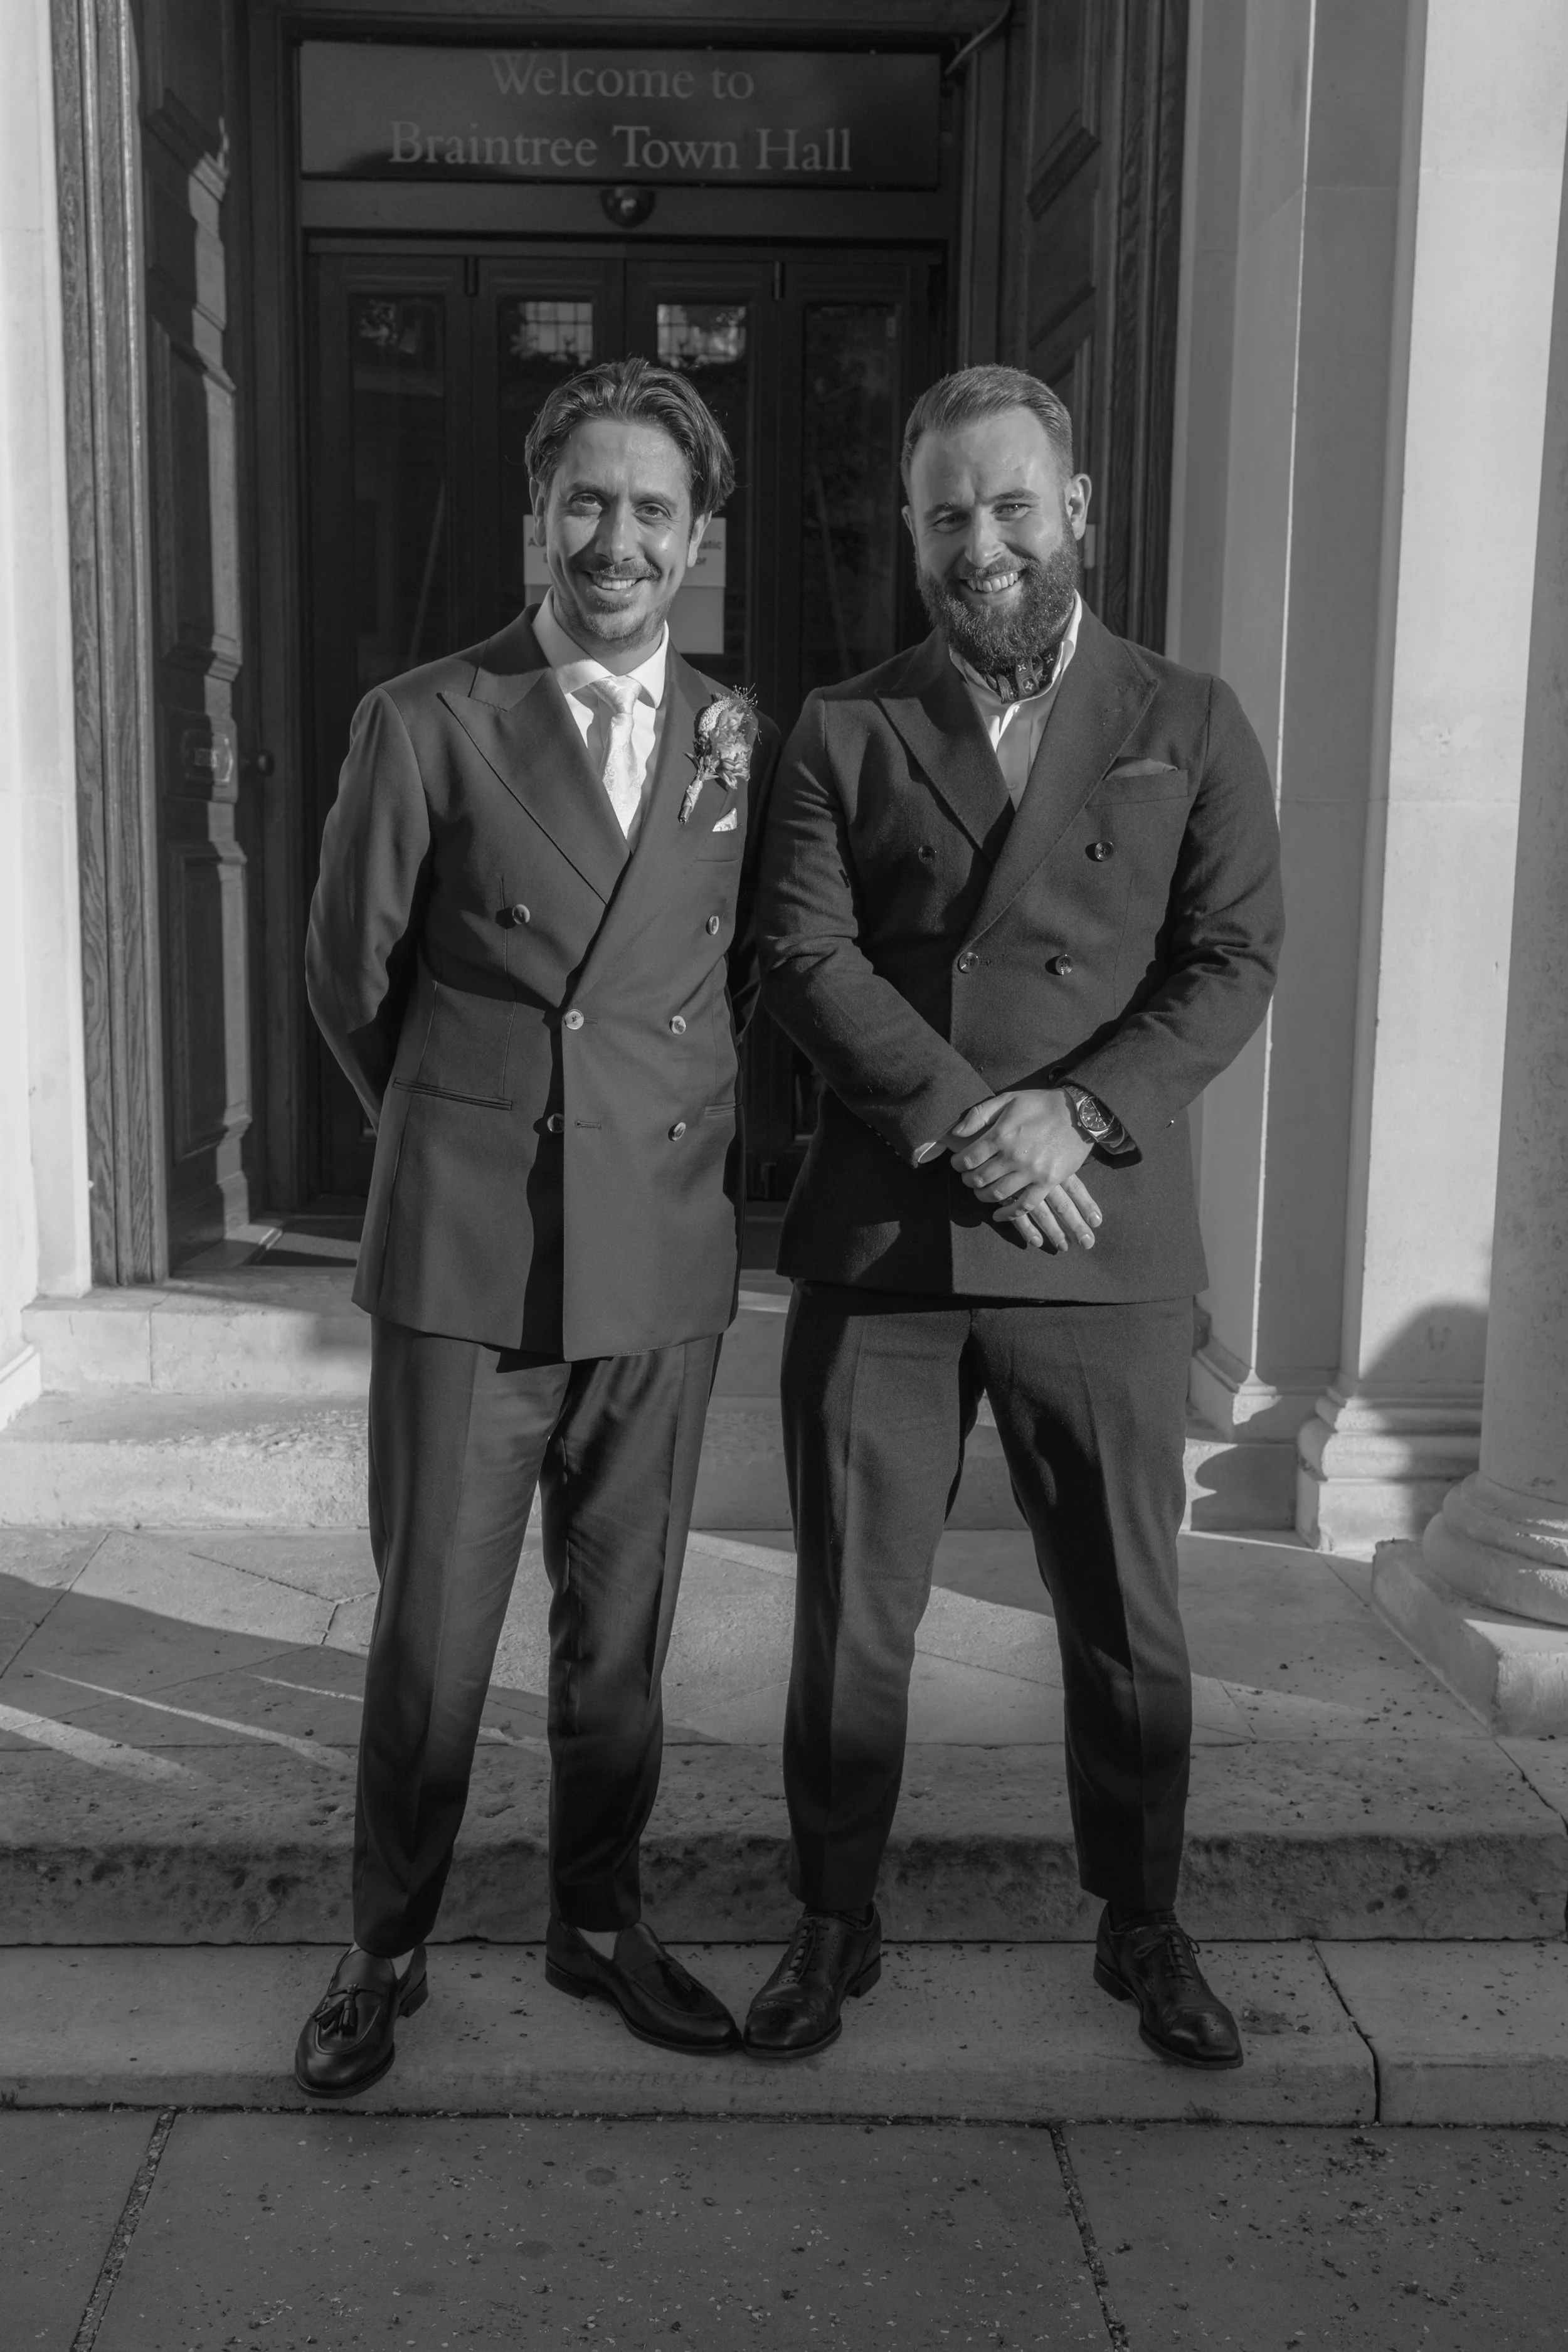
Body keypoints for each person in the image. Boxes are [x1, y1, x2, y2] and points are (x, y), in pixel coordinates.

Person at [748, 364, 1283, 2069]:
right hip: (888, 1234)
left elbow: (1232, 955)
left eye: (1009, 504)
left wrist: (1076, 1110)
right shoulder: (845, 722)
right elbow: (802, 956)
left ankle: (1143, 1922)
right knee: (851, 1607)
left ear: (1078, 512)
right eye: (946, 513)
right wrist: (969, 1119)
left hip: (1097, 1233)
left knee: (1126, 1609)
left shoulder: (1185, 718)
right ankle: (832, 1919)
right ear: (912, 531)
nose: (980, 542)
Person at [295, 358, 778, 2097]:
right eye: (587, 501)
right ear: (534, 513)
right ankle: (388, 1942)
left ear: (698, 536)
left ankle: (597, 1918)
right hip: (472, 1256)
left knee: (620, 1630)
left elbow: (719, 974)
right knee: (429, 1631)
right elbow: (350, 982)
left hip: (654, 1252)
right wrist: (458, 1142)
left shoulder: (734, 728)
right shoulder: (428, 715)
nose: (617, 540)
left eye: (654, 510)